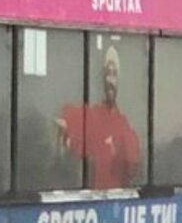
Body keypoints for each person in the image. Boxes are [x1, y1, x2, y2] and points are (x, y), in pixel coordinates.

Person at [56, 46, 141, 189]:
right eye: (107, 73)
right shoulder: (90, 115)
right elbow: (66, 124)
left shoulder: (124, 125)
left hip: (117, 200)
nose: (110, 80)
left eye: (114, 74)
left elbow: (133, 165)